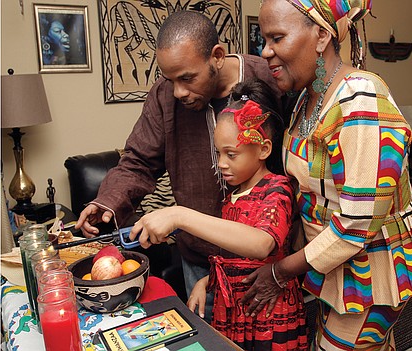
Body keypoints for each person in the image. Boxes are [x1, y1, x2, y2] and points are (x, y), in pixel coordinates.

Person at [240, 1, 412, 350]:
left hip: (370, 270)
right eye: (264, 39)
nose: (265, 51)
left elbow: (356, 224)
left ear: (322, 35)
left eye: (277, 37)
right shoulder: (307, 98)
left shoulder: (361, 100)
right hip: (332, 268)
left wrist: (281, 273)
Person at [74, 10, 282, 323]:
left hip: (263, 263)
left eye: (187, 78)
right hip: (201, 264)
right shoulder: (164, 97)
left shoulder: (267, 78)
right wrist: (107, 201)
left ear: (216, 56)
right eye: (169, 79)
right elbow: (139, 160)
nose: (178, 92)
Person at [131, 78, 308, 351]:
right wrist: (205, 282)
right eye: (218, 153)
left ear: (263, 149)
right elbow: (235, 261)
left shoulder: (277, 189)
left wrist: (180, 216)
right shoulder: (231, 197)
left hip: (269, 316)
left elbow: (261, 244)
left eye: (231, 154)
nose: (222, 163)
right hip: (236, 313)